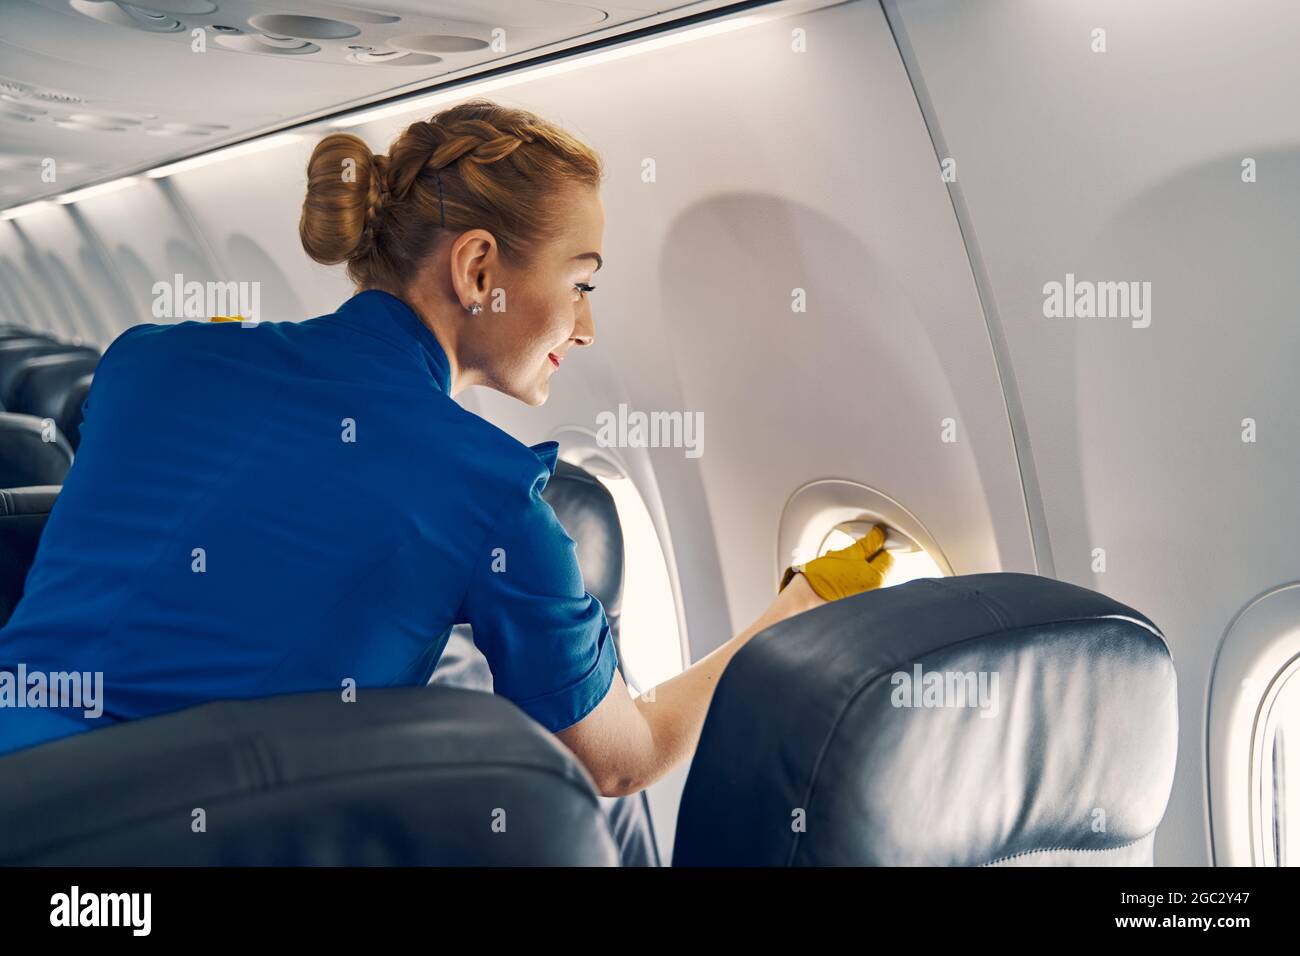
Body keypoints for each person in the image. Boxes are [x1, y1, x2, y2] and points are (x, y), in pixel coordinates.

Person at [0, 99, 892, 797]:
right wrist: (800, 604)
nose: (587, 326)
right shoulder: (491, 495)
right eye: (580, 284)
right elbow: (622, 759)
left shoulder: (146, 359)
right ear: (477, 271)